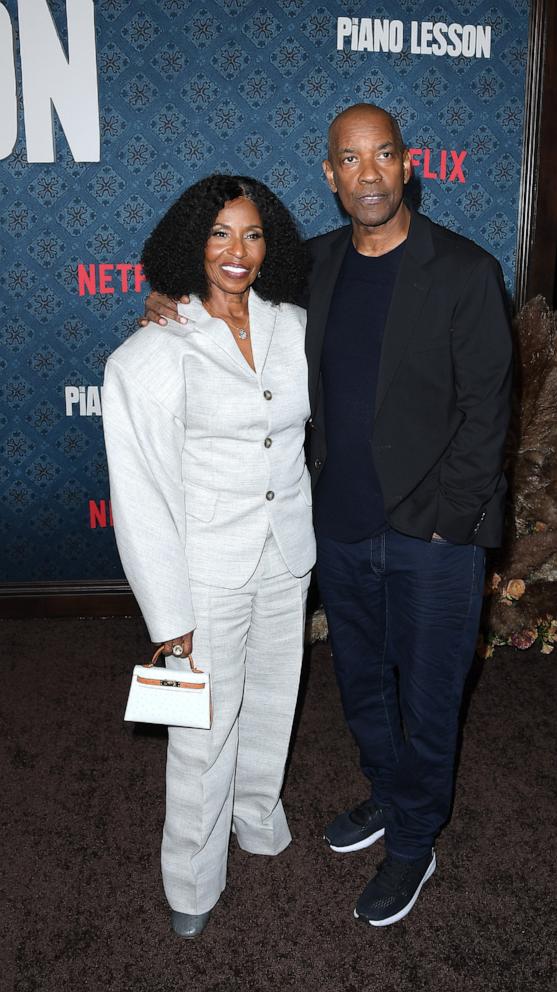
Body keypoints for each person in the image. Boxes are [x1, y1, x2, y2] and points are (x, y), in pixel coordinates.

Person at [141, 103, 513, 927]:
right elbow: (226, 296)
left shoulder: (464, 269)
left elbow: (489, 413)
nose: (368, 173)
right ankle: (386, 794)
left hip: (433, 540)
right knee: (361, 687)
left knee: (428, 694)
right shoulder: (309, 266)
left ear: (408, 164)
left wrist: (449, 524)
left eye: (382, 155)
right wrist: (166, 295)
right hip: (335, 532)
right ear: (329, 174)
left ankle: (416, 838)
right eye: (349, 159)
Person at [103, 174, 315, 939]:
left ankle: (257, 814)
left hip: (287, 552)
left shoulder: (294, 324)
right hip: (205, 568)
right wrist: (169, 615)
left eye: (252, 234)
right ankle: (191, 875)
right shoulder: (153, 351)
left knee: (272, 699)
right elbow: (139, 494)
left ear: (272, 244)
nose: (237, 250)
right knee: (201, 730)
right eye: (220, 233)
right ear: (192, 242)